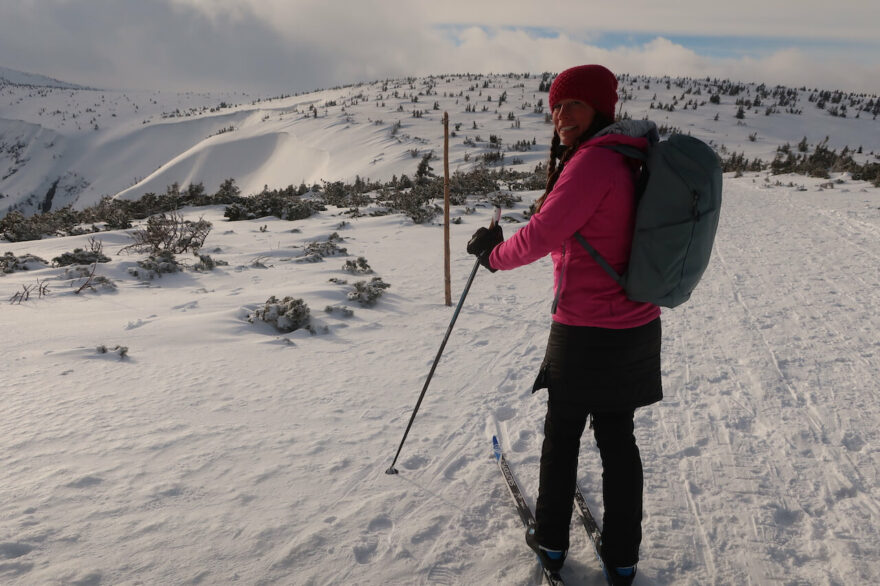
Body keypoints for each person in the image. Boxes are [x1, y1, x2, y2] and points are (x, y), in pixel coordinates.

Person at [467, 64, 662, 586]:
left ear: (600, 109)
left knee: (564, 434)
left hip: (586, 327)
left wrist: (492, 257)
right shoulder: (628, 157)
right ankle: (622, 557)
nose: (561, 115)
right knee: (618, 440)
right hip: (636, 322)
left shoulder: (593, 163)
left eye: (573, 104)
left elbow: (540, 235)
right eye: (556, 105)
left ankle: (551, 542)